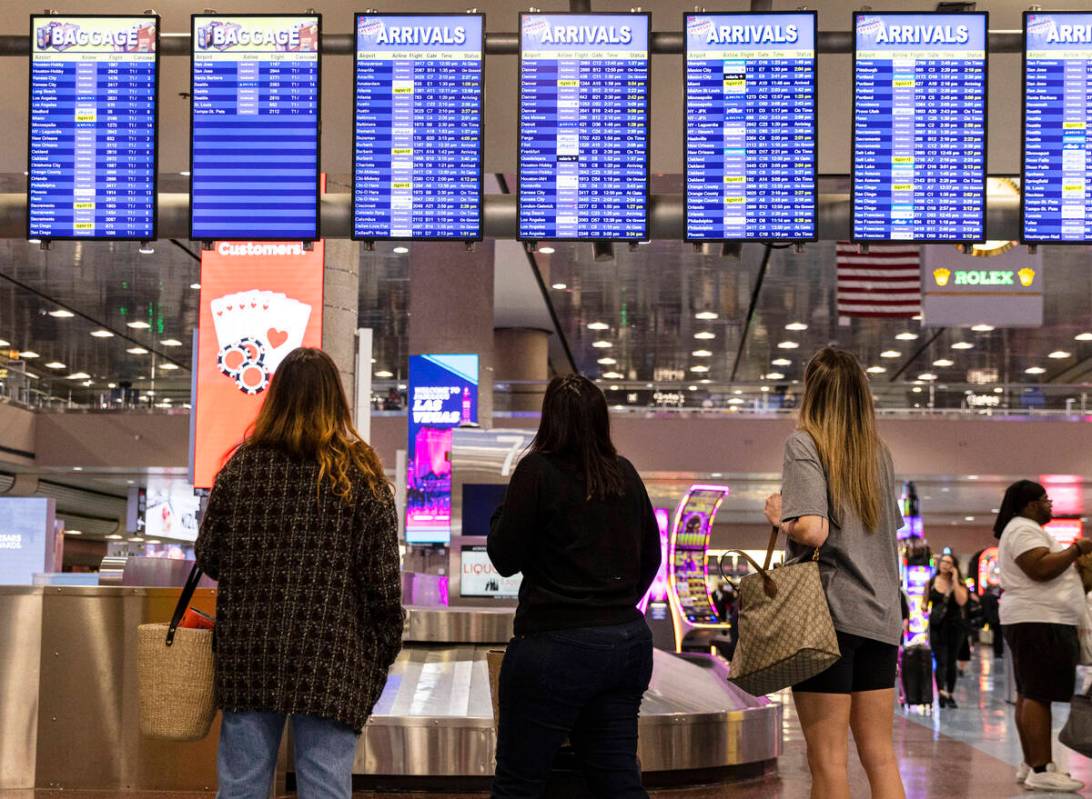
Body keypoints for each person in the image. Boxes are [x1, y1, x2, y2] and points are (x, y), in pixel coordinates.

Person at [195, 348, 404, 799]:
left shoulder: (241, 469)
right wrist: (380, 653)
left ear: (275, 398)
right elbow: (384, 586)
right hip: (331, 659)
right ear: (336, 401)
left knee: (241, 784)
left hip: (250, 653)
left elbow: (210, 557)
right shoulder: (361, 475)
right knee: (325, 785)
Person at [488, 373, 662, 799]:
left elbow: (504, 558)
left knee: (520, 783)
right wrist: (612, 607)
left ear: (550, 420)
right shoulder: (624, 474)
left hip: (553, 649)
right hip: (625, 644)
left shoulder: (536, 471)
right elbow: (651, 557)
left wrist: (502, 512)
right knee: (617, 779)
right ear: (601, 421)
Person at [763, 347, 905, 799]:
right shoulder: (878, 454)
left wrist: (781, 515)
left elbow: (813, 529)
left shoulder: (805, 442)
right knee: (880, 757)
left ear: (814, 393)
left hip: (828, 621)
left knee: (827, 762)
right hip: (881, 618)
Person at [996, 480, 1092, 793]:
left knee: (1030, 691)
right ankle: (1041, 767)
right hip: (1038, 620)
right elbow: (1038, 568)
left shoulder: (1022, 528)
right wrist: (1077, 549)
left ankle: (1031, 763)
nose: (1050, 504)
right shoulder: (1023, 528)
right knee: (1038, 693)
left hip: (1035, 619)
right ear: (1029, 504)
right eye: (1045, 499)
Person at [928, 553, 968, 708]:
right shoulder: (931, 581)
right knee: (940, 661)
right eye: (943, 561)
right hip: (937, 626)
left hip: (955, 626)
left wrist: (955, 580)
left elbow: (961, 601)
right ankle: (941, 692)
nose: (945, 564)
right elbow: (925, 603)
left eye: (949, 562)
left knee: (951, 661)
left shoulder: (959, 583)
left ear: (954, 566)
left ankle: (950, 693)